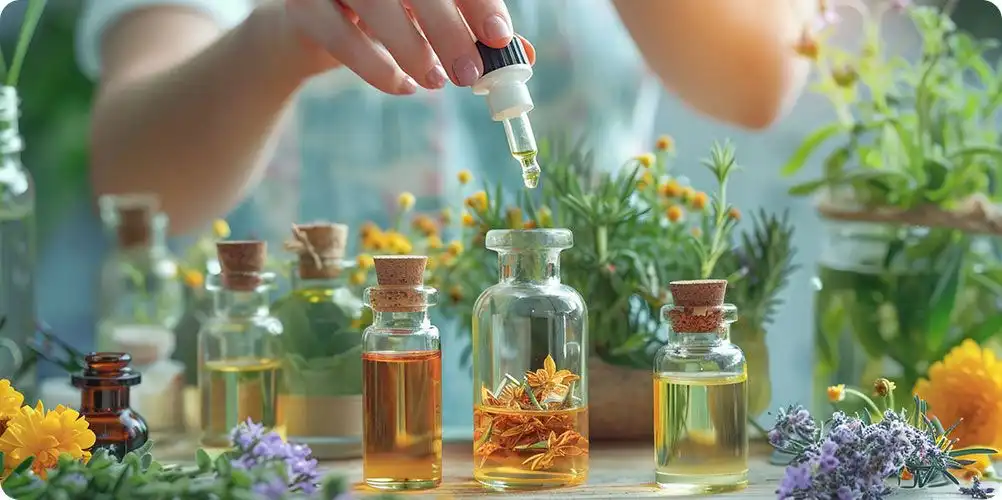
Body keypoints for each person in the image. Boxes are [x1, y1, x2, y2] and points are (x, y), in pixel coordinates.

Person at [70, 0, 816, 432]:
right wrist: (276, 41)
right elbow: (137, 183)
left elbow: (757, 80)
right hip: (312, 437)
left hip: (598, 432)